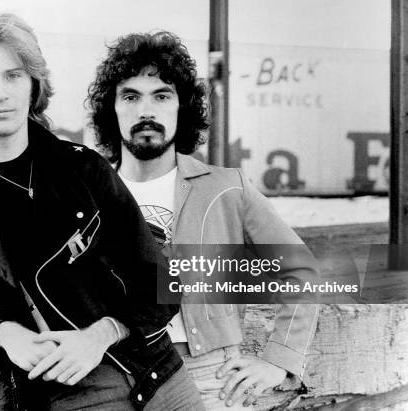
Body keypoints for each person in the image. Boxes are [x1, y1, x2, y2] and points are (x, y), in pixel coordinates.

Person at [0, 13, 204, 410]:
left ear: (33, 86)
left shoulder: (84, 169)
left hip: (157, 370)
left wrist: (100, 335)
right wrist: (4, 333)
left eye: (13, 75)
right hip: (72, 390)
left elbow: (158, 278)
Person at [87, 31, 319, 410]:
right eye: (130, 96)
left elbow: (301, 268)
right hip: (111, 372)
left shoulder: (228, 189)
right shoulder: (88, 194)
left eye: (162, 96)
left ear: (183, 108)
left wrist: (279, 360)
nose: (147, 110)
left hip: (211, 375)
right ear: (111, 109)